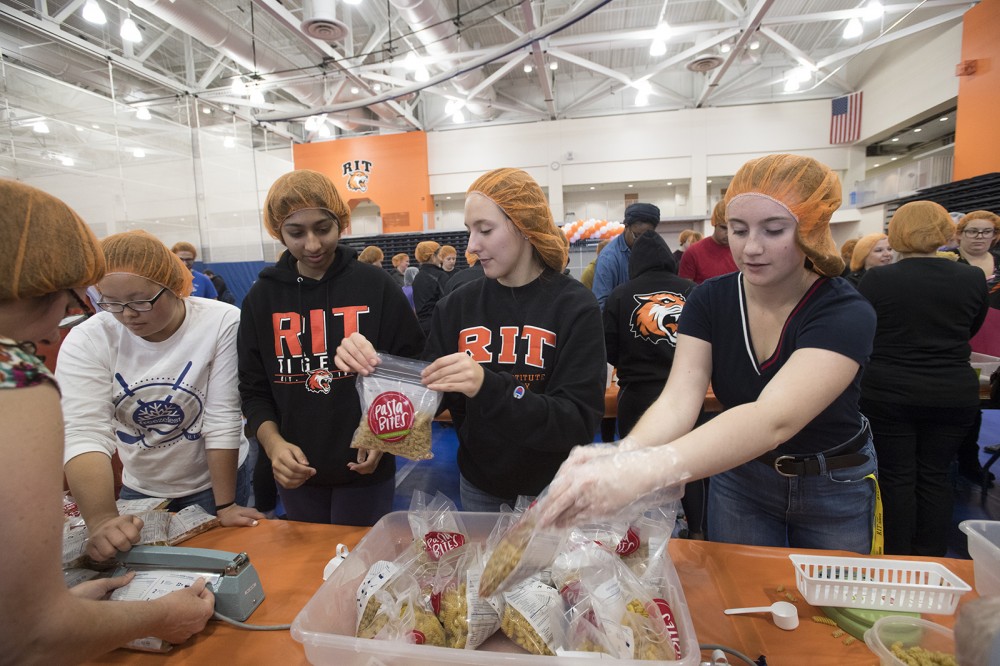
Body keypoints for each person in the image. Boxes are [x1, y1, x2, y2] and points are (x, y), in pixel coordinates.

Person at [539, 154, 880, 555]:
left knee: (833, 607)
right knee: (738, 600)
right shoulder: (710, 299)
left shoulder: (843, 310)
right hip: (741, 476)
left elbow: (773, 419)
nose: (751, 247)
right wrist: (623, 455)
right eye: (738, 230)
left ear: (811, 231)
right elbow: (680, 397)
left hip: (833, 481)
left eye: (774, 230)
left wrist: (647, 469)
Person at [0, 180, 214, 662]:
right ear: (42, 289)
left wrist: (68, 605)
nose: (69, 316)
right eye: (82, 298)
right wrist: (159, 615)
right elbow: (31, 634)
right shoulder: (15, 382)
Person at [336, 168, 606, 512]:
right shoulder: (458, 306)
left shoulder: (574, 306)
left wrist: (487, 385)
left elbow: (577, 421)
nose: (473, 246)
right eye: (469, 231)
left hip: (557, 490)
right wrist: (386, 415)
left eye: (486, 230)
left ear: (525, 226)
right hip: (480, 486)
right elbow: (433, 390)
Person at [59, 230, 262, 561]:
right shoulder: (88, 339)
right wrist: (102, 520)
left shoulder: (221, 321)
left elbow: (222, 415)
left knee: (218, 567)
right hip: (142, 483)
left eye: (140, 301)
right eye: (110, 302)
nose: (127, 315)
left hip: (215, 479)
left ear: (175, 286)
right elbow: (84, 430)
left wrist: (225, 505)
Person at [238, 169, 423, 525]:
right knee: (308, 572)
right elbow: (253, 389)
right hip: (297, 471)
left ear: (342, 221)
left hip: (368, 465)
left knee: (364, 567)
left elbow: (411, 367)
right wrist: (274, 445)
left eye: (323, 229)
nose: (312, 244)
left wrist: (386, 437)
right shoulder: (262, 298)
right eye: (296, 232)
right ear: (278, 231)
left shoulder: (376, 286)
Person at [856, 201, 987, 556]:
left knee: (896, 476)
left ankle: (897, 557)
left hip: (889, 391)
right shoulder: (971, 277)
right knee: (937, 476)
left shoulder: (878, 279)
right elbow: (971, 328)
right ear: (947, 232)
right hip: (953, 391)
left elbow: (865, 331)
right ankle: (931, 556)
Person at [603, 230, 702, 537]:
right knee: (693, 467)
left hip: (638, 396)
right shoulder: (694, 290)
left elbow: (609, 350)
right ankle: (697, 532)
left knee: (639, 470)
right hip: (688, 394)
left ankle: (641, 540)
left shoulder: (620, 295)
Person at [593, 203, 660, 309]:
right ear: (626, 227)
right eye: (637, 236)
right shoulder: (608, 258)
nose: (642, 241)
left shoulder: (655, 252)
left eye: (647, 236)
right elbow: (601, 304)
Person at [679, 201, 738, 284]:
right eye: (723, 228)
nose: (728, 234)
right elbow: (686, 290)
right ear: (714, 223)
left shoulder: (742, 252)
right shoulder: (693, 253)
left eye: (734, 229)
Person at [412, 240, 449, 335]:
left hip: (421, 326)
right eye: (440, 255)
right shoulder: (440, 276)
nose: (441, 259)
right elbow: (446, 302)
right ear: (433, 256)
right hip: (437, 325)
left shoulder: (418, 276)